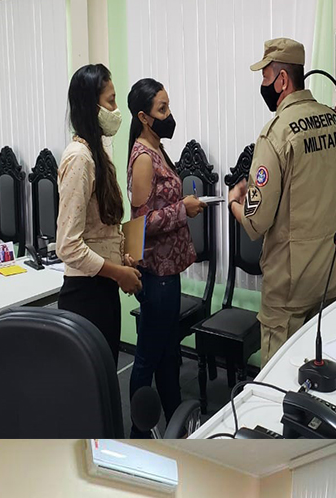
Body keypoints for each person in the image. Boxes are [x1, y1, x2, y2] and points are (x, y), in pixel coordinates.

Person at [229, 39, 336, 363]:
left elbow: (256, 222)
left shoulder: (275, 133)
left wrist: (235, 204)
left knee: (281, 382)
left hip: (288, 285)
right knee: (320, 370)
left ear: (282, 80)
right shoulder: (335, 123)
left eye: (265, 77)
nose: (263, 85)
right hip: (328, 275)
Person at [126, 78, 203, 434]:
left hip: (167, 272)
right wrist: (181, 209)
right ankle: (139, 431)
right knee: (147, 359)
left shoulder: (156, 149)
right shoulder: (143, 158)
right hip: (155, 276)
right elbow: (139, 225)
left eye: (168, 106)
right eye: (162, 109)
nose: (169, 115)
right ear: (143, 117)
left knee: (167, 354)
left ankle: (176, 423)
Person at [55, 63, 142, 373]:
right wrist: (116, 273)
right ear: (90, 106)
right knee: (89, 387)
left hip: (102, 288)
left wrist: (122, 261)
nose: (116, 110)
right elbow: (67, 246)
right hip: (85, 295)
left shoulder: (96, 154)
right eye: (111, 101)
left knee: (104, 378)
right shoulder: (78, 159)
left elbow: (101, 230)